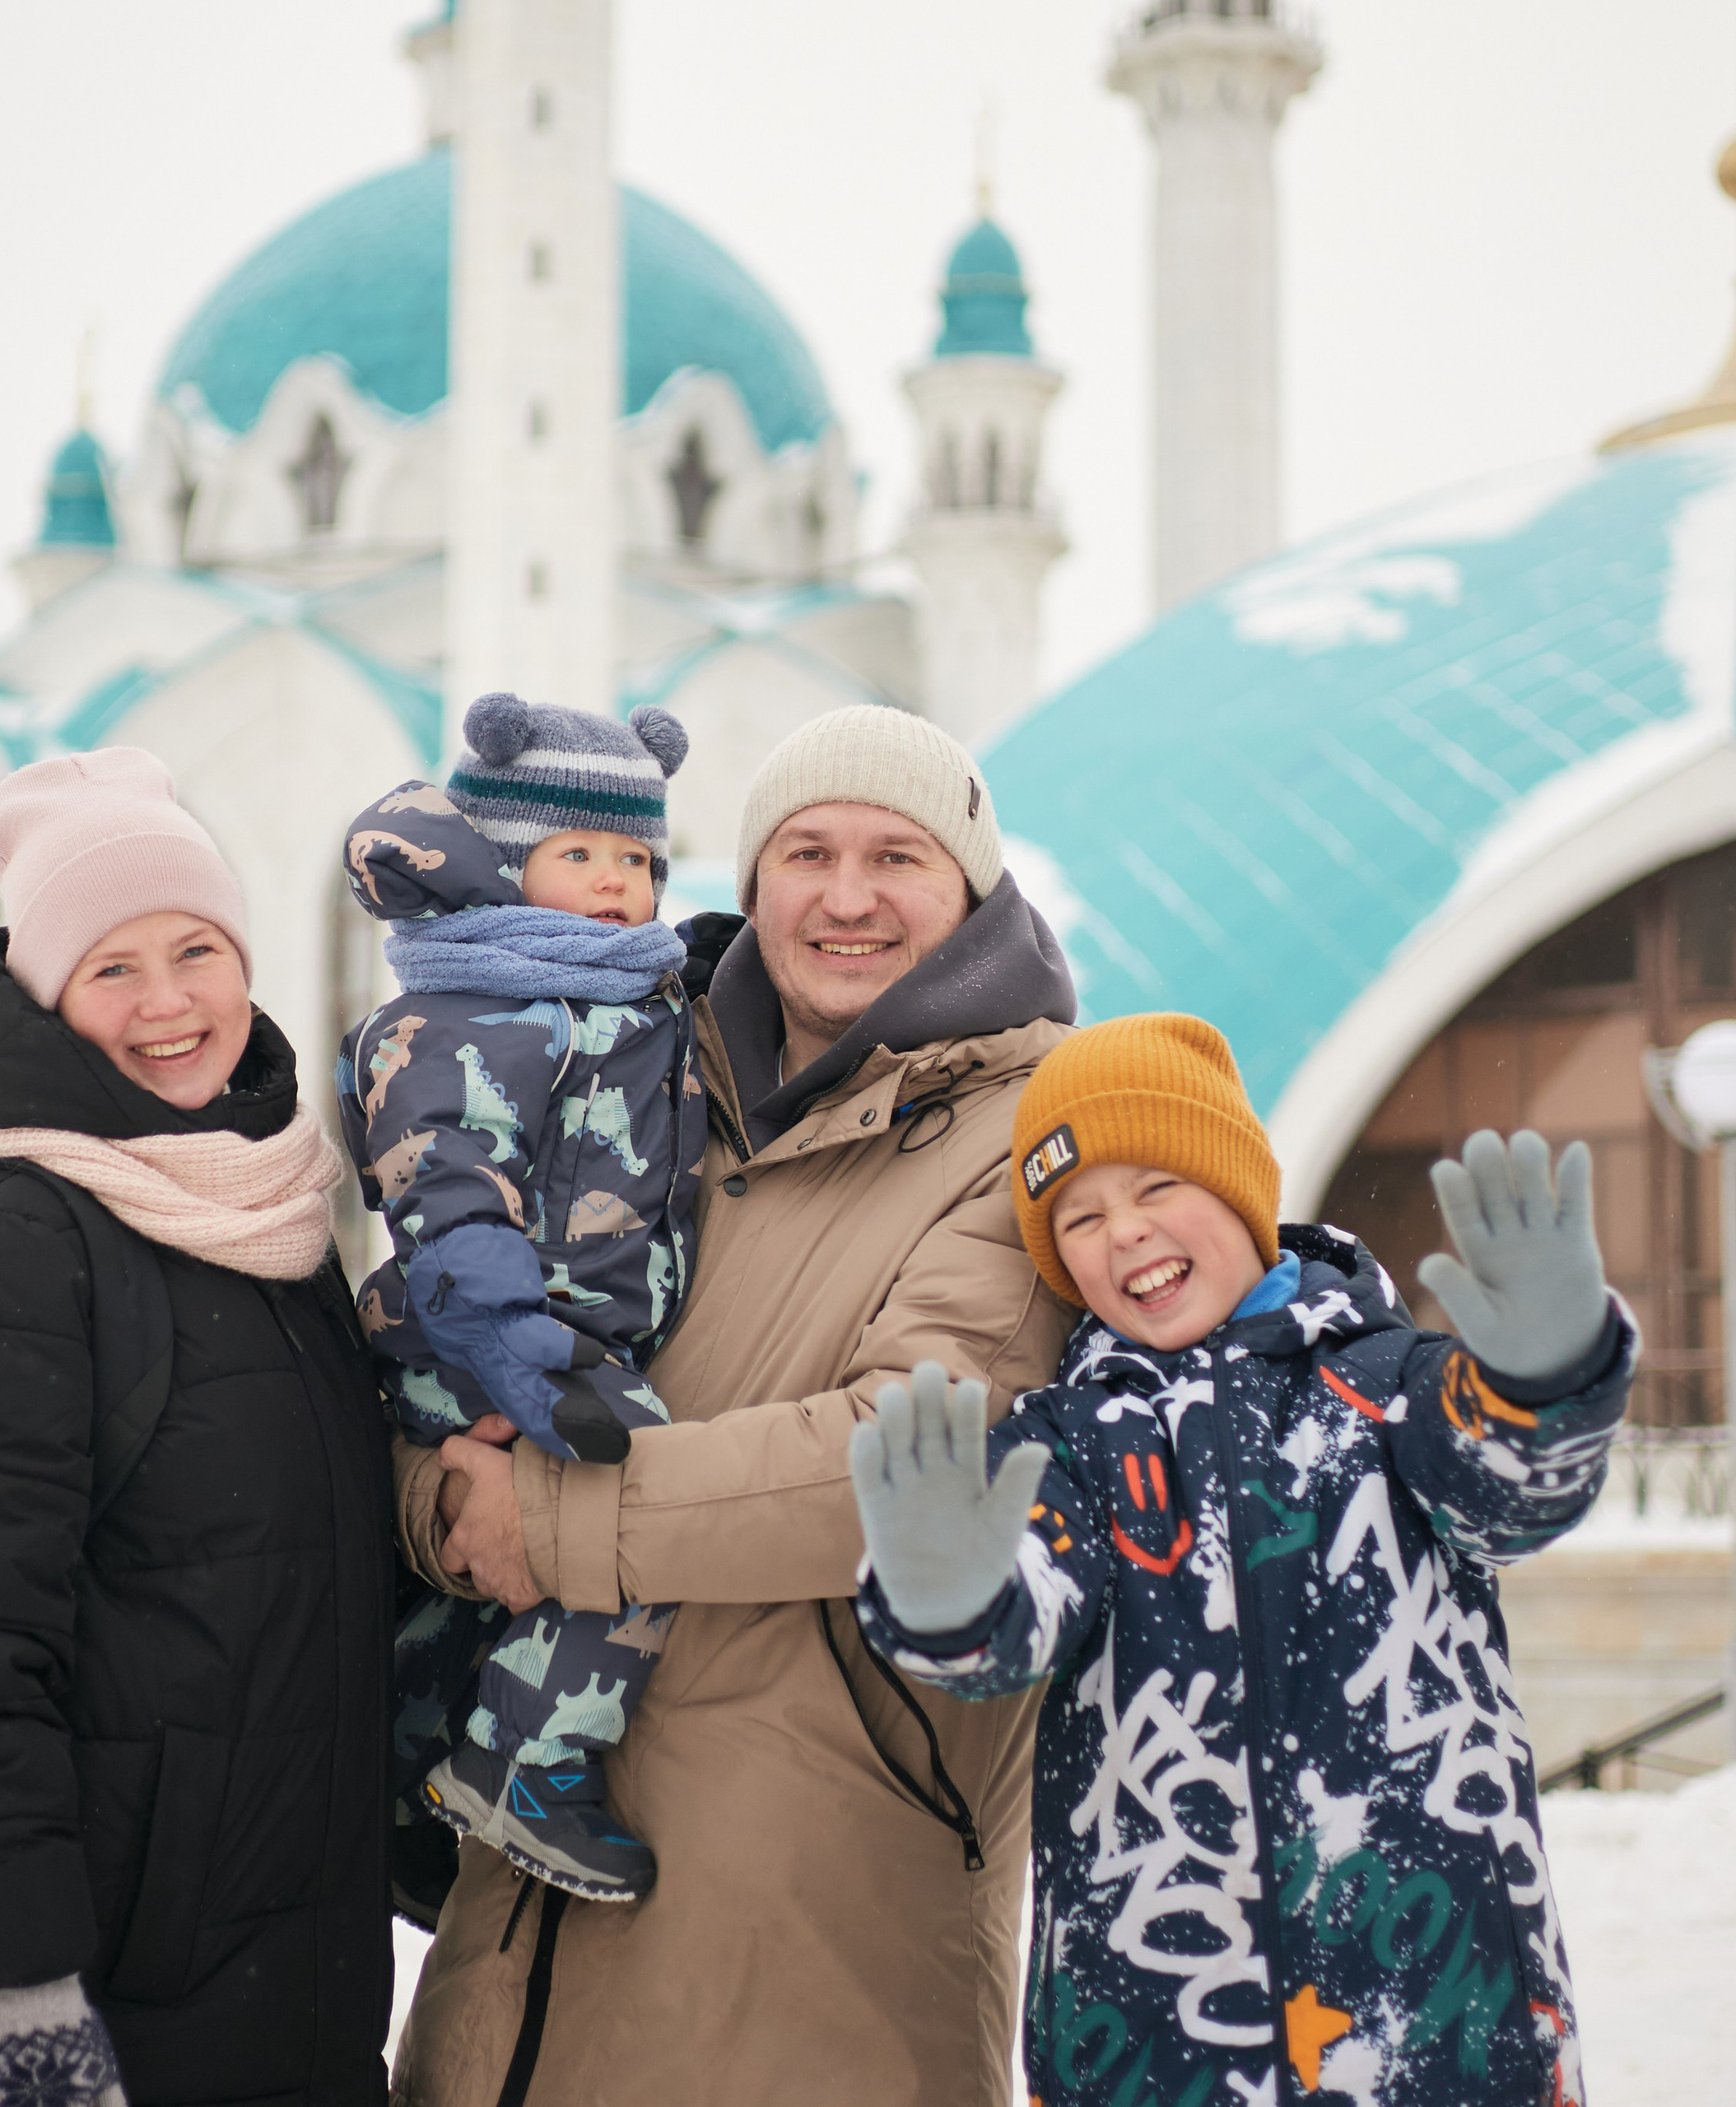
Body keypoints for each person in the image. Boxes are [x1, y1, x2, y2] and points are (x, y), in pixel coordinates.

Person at [393, 706, 1079, 2107]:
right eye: (806, 853)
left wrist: (534, 1513)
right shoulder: (621, 1062)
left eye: (897, 857)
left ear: (973, 888)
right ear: (749, 879)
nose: (844, 897)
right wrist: (434, 1504)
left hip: (814, 1935)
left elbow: (893, 1465)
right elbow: (424, 1333)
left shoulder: (1026, 1137)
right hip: (521, 1936)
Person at [850, 1012, 1631, 2107]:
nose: (1123, 1233)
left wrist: (1547, 1377)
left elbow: (1511, 1496)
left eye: (1157, 1187)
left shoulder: (1392, 1386)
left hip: (1441, 2009)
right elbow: (1014, 1619)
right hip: (1153, 2035)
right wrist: (946, 1590)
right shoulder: (1070, 1444)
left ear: (1242, 1189)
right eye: (1079, 1217)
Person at [0, 748, 394, 2107]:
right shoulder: (4, 1249)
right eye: (111, 969)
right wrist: (12, 1991)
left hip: (276, 1998)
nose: (167, 1005)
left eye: (195, 950)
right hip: (82, 2017)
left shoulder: (264, 1222)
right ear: (45, 998)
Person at [337, 692, 700, 1905]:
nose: (614, 882)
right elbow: (443, 1195)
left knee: (467, 1607)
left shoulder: (628, 1002)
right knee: (641, 1514)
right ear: (506, 863)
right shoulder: (467, 1012)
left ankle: (396, 1794)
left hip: (566, 1342)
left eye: (637, 859)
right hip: (490, 1343)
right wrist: (518, 1355)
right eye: (579, 854)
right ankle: (524, 1763)